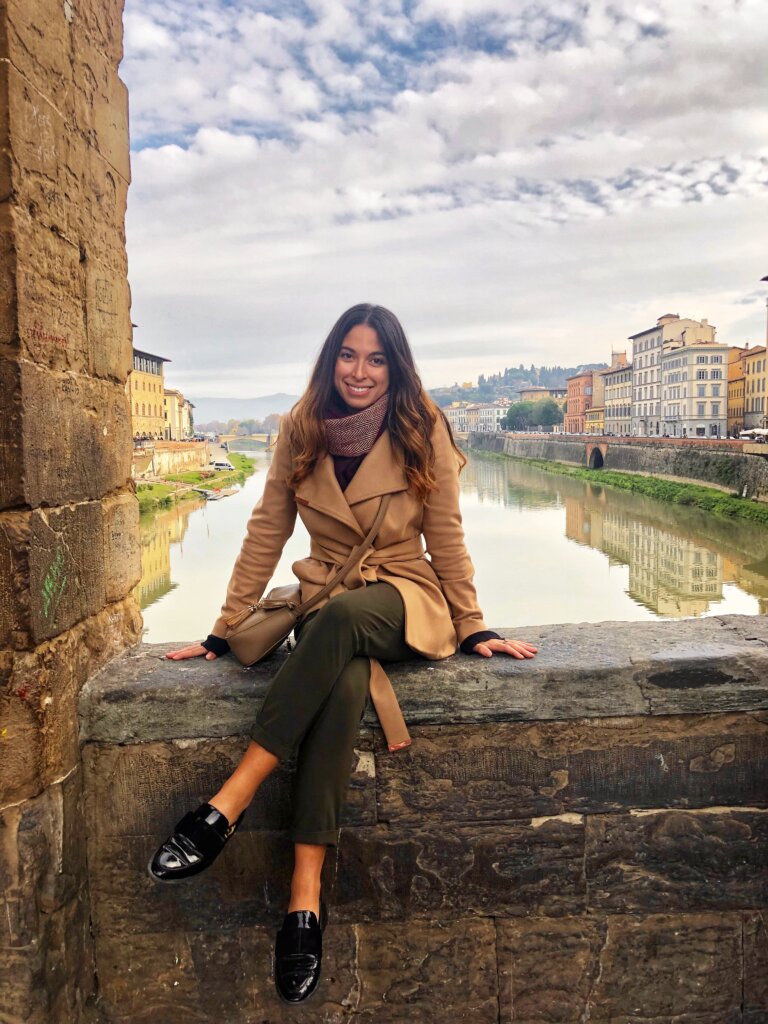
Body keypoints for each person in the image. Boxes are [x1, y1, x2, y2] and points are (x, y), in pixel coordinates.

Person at [148, 303, 538, 1004]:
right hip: (329, 604)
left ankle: (228, 802)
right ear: (331, 360)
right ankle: (304, 901)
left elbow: (446, 536)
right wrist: (223, 627)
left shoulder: (424, 427)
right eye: (348, 356)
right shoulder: (299, 428)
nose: (360, 372)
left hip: (404, 595)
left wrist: (475, 625)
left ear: (395, 365)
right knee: (344, 677)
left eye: (376, 358)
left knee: (349, 619)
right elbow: (267, 531)